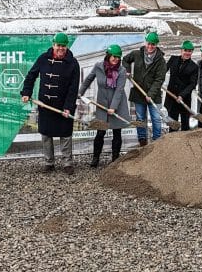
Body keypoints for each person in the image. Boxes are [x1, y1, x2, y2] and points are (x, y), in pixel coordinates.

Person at [21, 32, 80, 174]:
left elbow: (74, 88)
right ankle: (49, 162)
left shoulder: (73, 63)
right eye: (58, 45)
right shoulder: (43, 59)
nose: (61, 48)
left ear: (66, 47)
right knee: (46, 134)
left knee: (65, 135)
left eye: (63, 46)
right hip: (45, 104)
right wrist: (26, 92)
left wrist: (68, 107)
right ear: (53, 45)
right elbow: (31, 75)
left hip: (63, 105)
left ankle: (67, 163)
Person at [79, 44, 130, 167]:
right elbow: (88, 80)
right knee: (100, 132)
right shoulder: (98, 67)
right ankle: (95, 158)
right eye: (114, 57)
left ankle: (115, 160)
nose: (116, 59)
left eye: (118, 57)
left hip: (117, 104)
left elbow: (119, 90)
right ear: (108, 55)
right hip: (102, 103)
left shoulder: (122, 71)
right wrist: (80, 92)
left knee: (117, 132)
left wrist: (113, 107)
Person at [122, 31, 167, 146]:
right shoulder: (137, 54)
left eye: (153, 44)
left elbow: (159, 79)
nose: (150, 46)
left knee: (156, 118)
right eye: (148, 43)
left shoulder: (160, 60)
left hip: (154, 95)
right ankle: (142, 140)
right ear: (145, 42)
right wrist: (127, 70)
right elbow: (125, 60)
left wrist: (150, 94)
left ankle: (157, 140)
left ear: (156, 44)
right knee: (140, 118)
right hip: (138, 92)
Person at [165, 40, 199, 132]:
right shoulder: (173, 59)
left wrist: (182, 95)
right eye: (185, 50)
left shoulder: (194, 67)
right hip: (171, 98)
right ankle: (172, 143)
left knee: (185, 125)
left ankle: (184, 145)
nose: (187, 53)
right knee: (173, 125)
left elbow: (192, 84)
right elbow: (163, 71)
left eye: (190, 51)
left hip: (184, 99)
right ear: (181, 50)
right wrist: (158, 80)